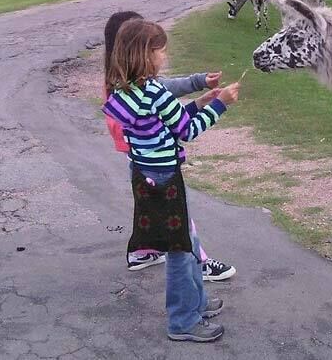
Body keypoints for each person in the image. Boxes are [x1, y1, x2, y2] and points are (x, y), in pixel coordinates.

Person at [103, 18, 240, 341]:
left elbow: (163, 125)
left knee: (187, 241)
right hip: (166, 179)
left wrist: (200, 103)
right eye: (161, 51)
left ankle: (197, 303)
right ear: (146, 54)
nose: (164, 56)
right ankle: (183, 320)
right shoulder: (155, 91)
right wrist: (220, 105)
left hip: (145, 175)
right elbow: (187, 131)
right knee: (179, 249)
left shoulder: (127, 90)